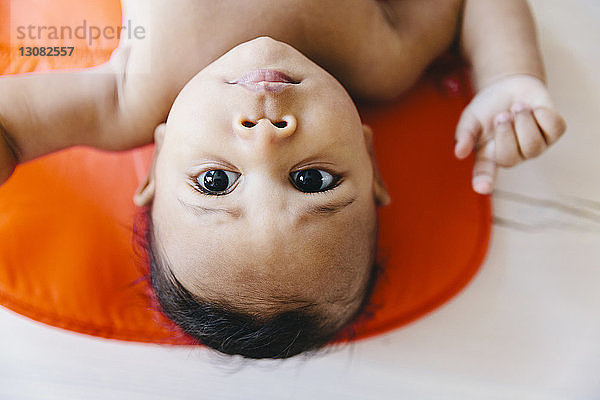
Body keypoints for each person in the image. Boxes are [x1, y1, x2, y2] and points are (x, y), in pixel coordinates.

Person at [0, 0, 565, 358]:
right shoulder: (384, 56)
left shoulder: (129, 97)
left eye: (216, 183)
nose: (266, 135)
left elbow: (13, 129)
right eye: (314, 179)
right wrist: (507, 74)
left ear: (158, 158)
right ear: (369, 162)